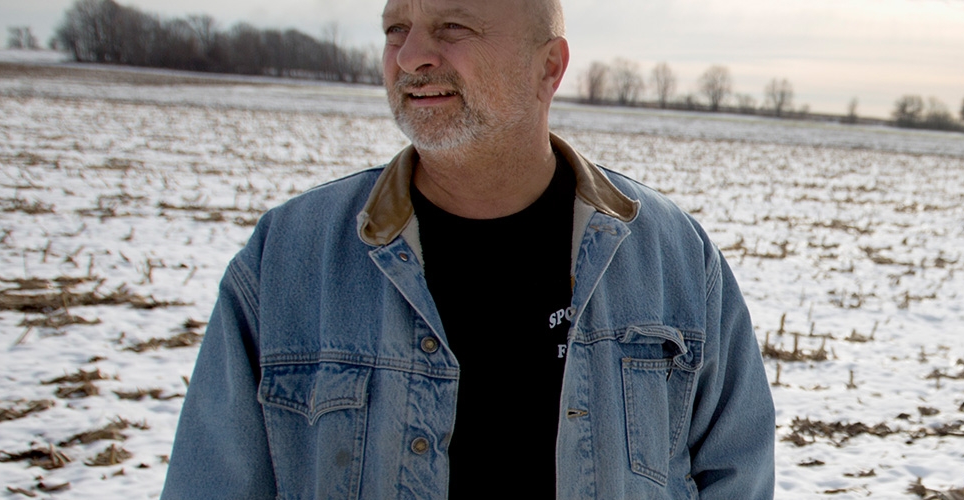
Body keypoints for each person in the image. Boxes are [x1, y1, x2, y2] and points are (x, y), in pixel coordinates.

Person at [159, 0, 775, 497]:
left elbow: (736, 475)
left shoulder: (673, 259)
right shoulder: (289, 257)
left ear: (549, 68)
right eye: (395, 28)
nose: (411, 55)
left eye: (453, 26)